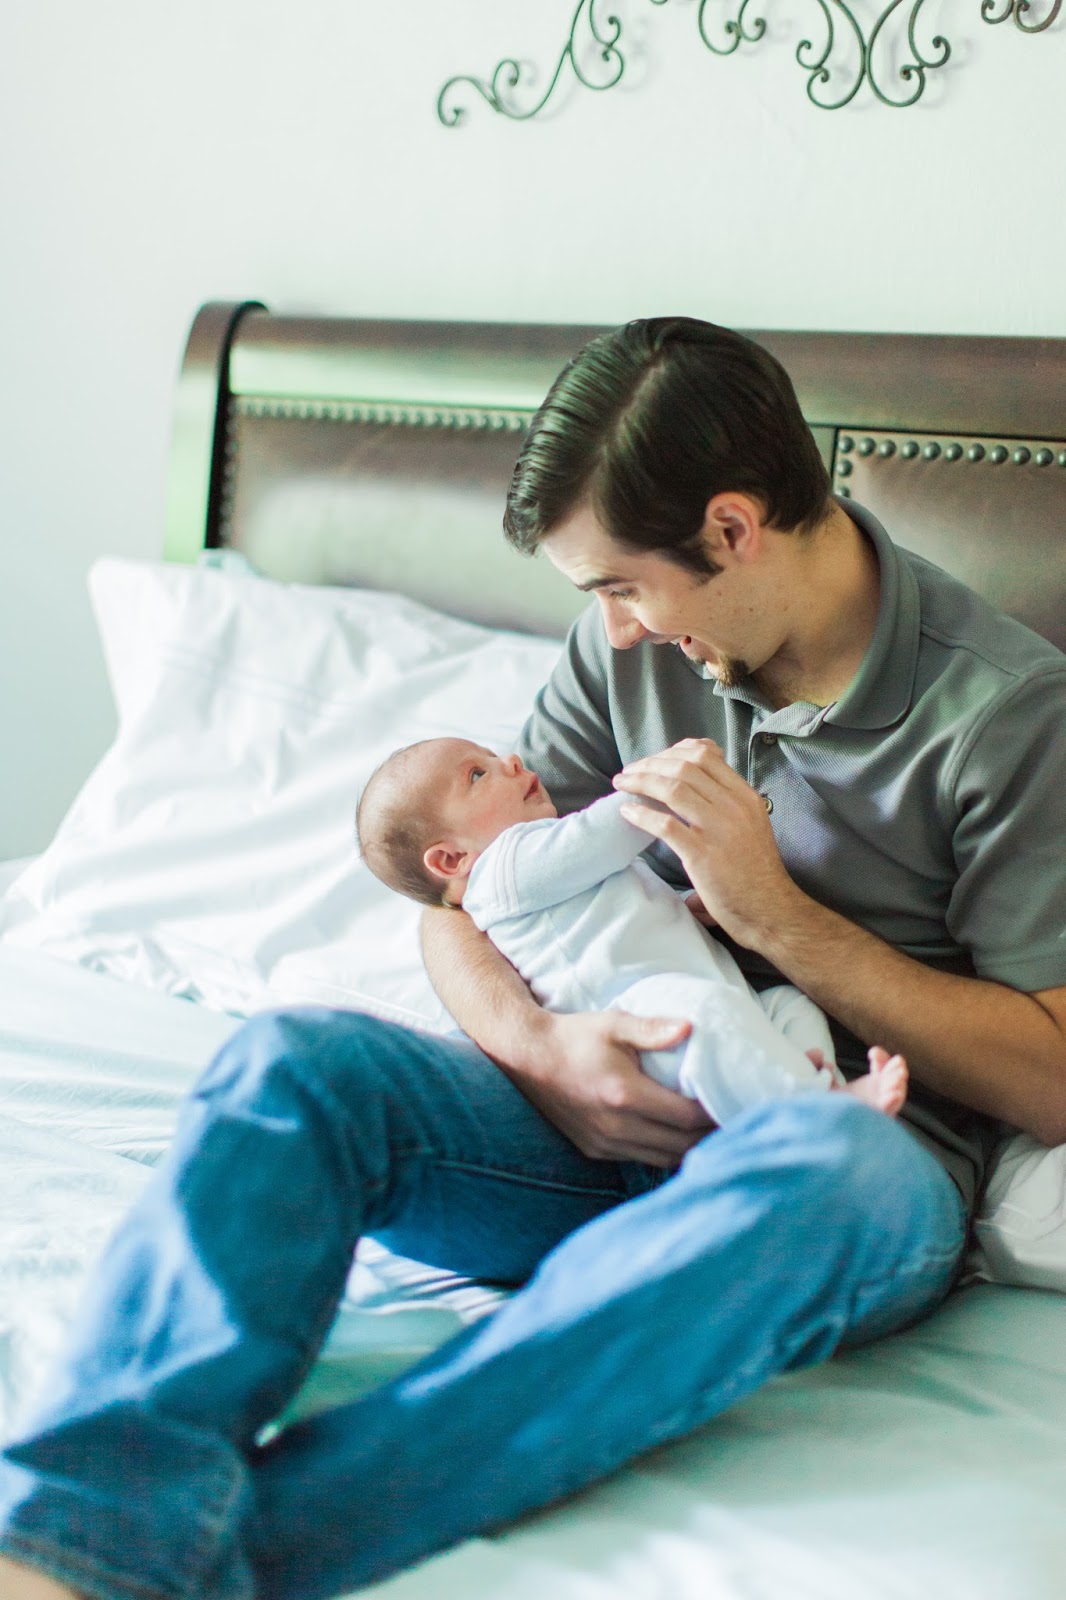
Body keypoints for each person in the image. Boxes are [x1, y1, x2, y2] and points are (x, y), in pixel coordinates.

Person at [2, 316, 1065, 1600]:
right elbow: (463, 900)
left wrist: (776, 917)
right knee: (295, 1063)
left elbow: (1049, 1074)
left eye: (621, 586)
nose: (612, 630)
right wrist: (542, 1049)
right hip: (589, 1132)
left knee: (827, 1166)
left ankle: (212, 1557)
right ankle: (78, 1531)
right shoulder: (626, 654)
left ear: (731, 528)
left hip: (836, 1158)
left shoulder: (1007, 717)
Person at [356, 734, 909, 1121]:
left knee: (788, 1005)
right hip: (642, 1031)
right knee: (709, 1014)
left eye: (492, 756)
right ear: (451, 860)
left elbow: (632, 906)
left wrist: (690, 905)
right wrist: (665, 783)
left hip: (703, 1009)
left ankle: (813, 1086)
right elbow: (605, 832)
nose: (512, 761)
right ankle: (810, 1117)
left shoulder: (544, 869)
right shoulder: (502, 872)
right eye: (478, 774)